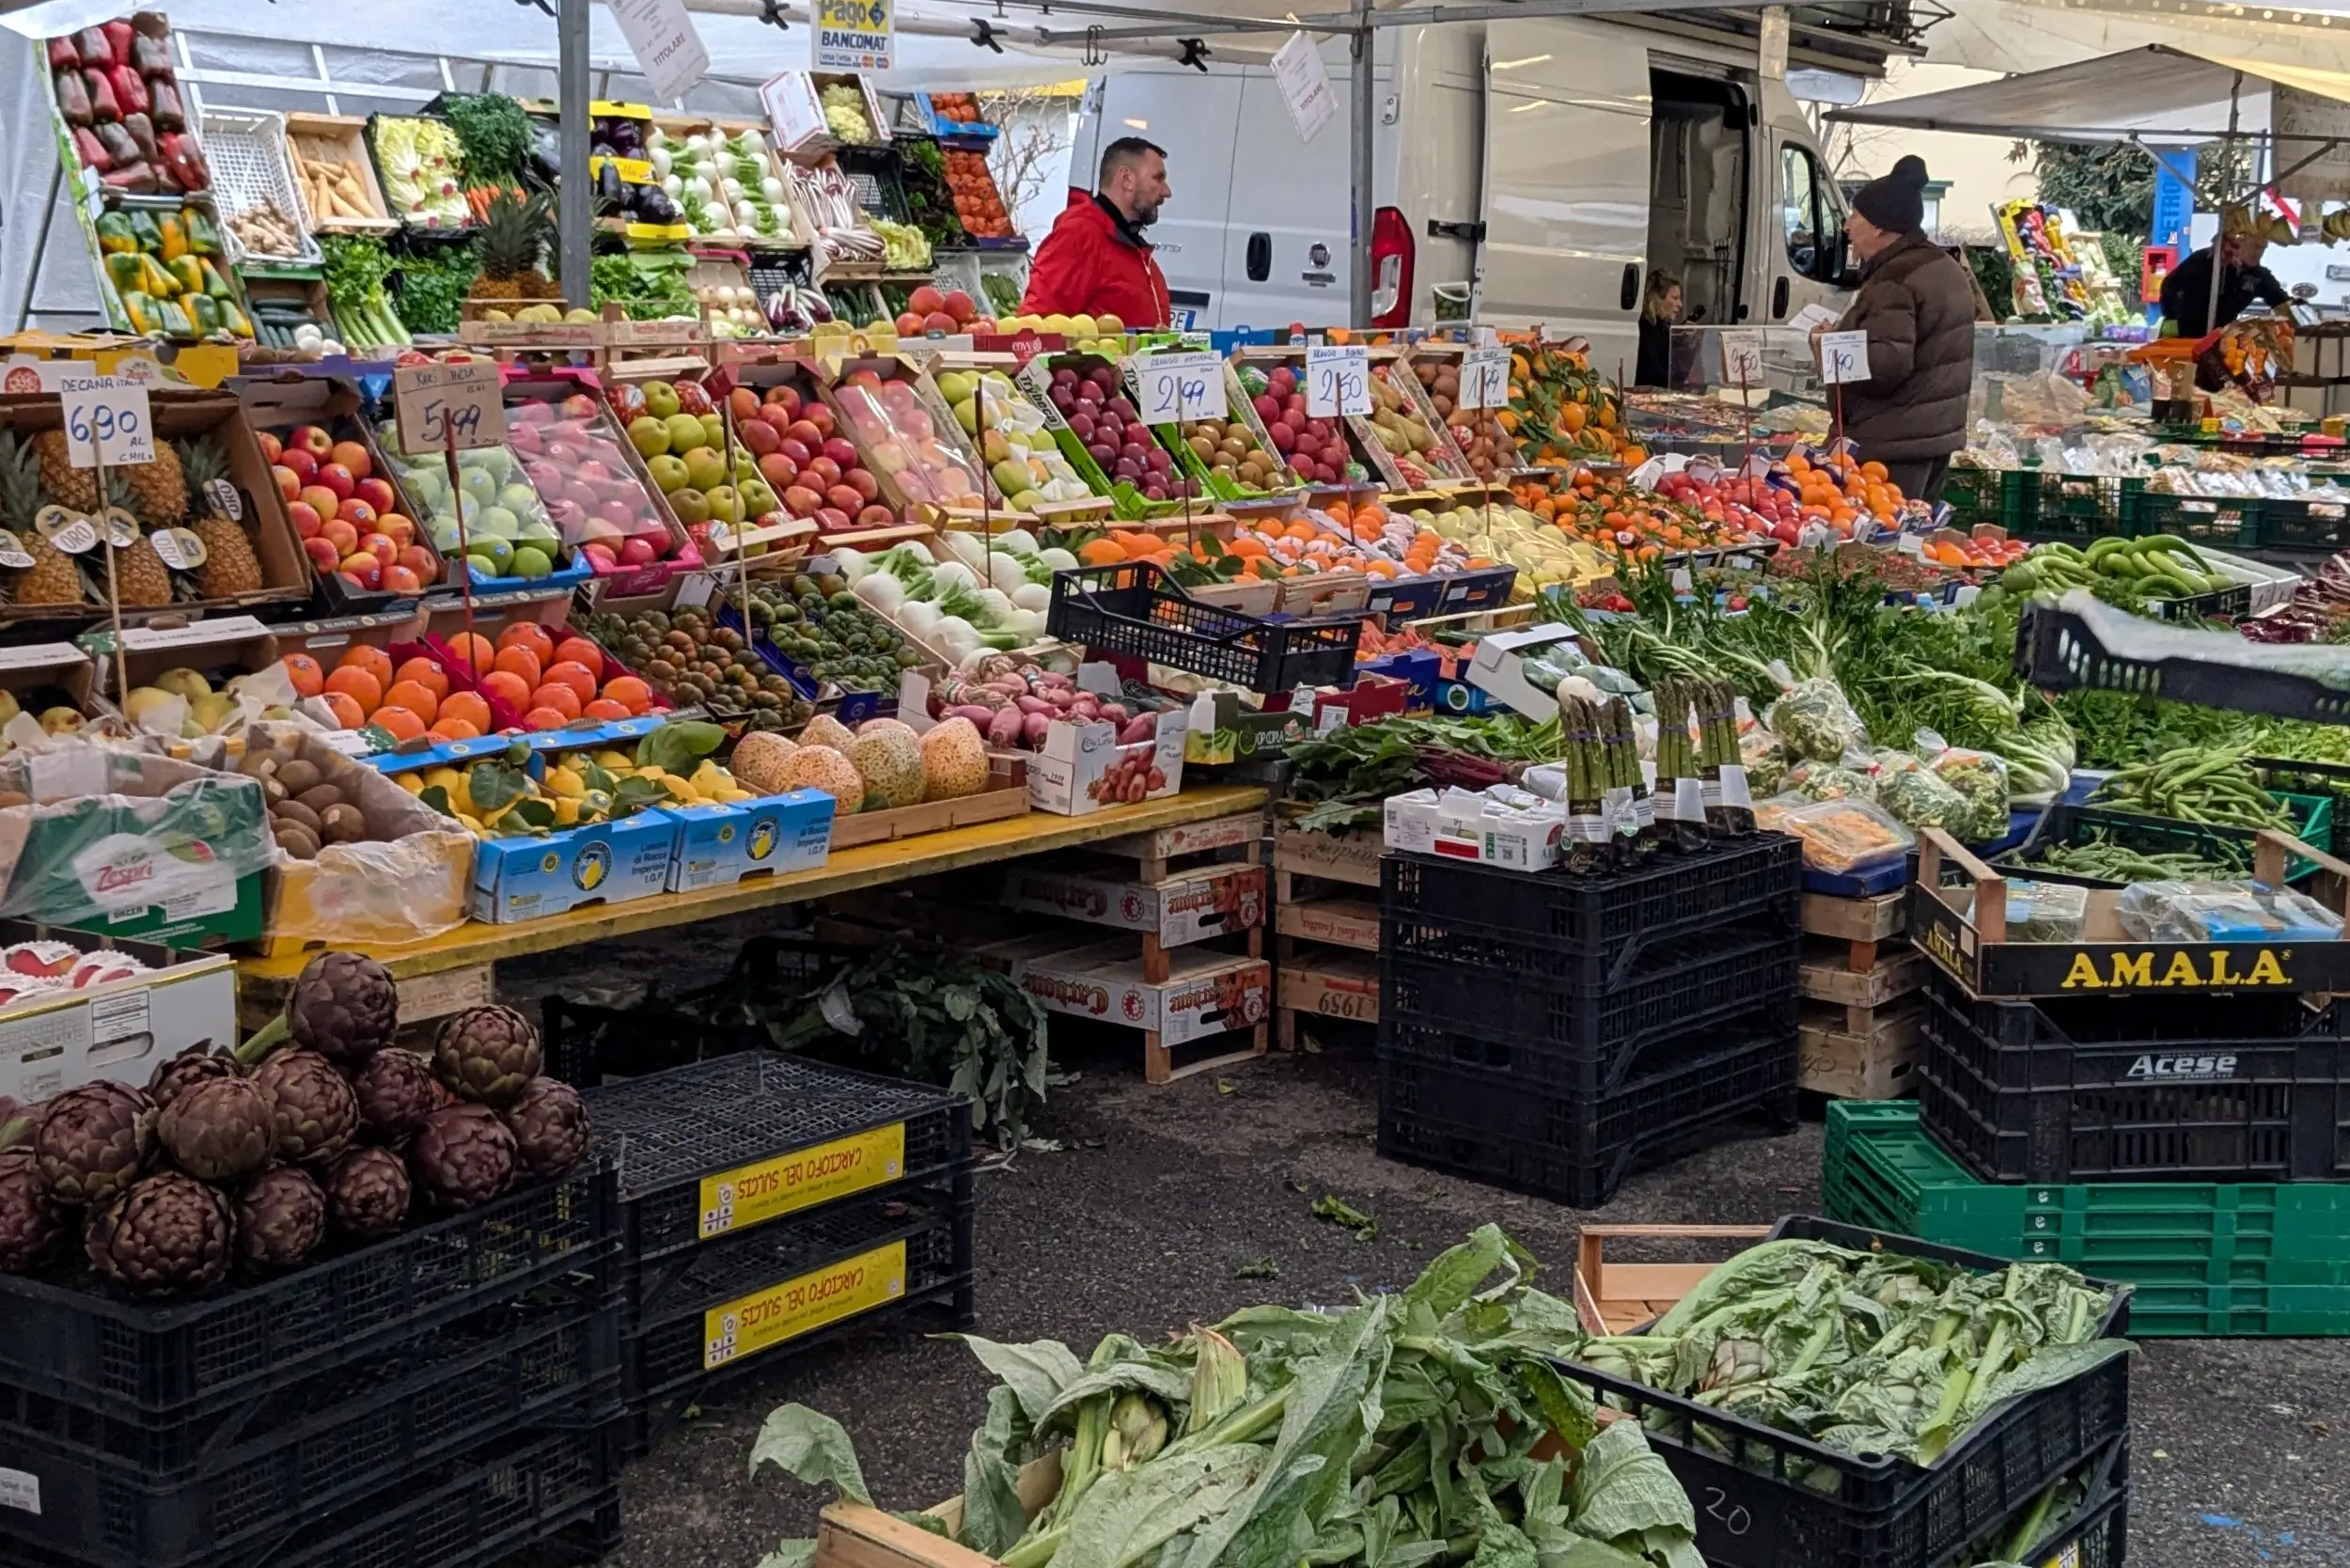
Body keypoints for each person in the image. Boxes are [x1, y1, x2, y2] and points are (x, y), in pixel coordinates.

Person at [1815, 155, 1974, 503]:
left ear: (1879, 227)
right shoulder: (1942, 266)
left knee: (1880, 546)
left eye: (1856, 216)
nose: (1847, 226)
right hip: (1933, 437)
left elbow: (1886, 364)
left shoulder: (1894, 279)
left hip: (1891, 446)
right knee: (1914, 539)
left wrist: (1829, 346)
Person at [1019, 136, 1172, 329]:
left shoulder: (1132, 246)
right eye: (1158, 178)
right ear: (1126, 179)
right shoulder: (1079, 234)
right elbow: (1037, 324)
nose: (1166, 192)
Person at [2159, 231, 2288, 339]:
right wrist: (2171, 316)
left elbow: (2279, 299)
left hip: (2219, 337)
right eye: (2255, 246)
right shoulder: (2204, 260)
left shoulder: (2257, 276)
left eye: (2262, 248)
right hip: (2183, 333)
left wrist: (2294, 314)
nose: (2257, 252)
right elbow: (2169, 286)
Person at [1635, 271, 1682, 387]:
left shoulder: (1662, 328)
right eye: (1675, 298)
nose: (1680, 304)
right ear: (1657, 298)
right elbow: (1653, 376)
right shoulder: (1644, 330)